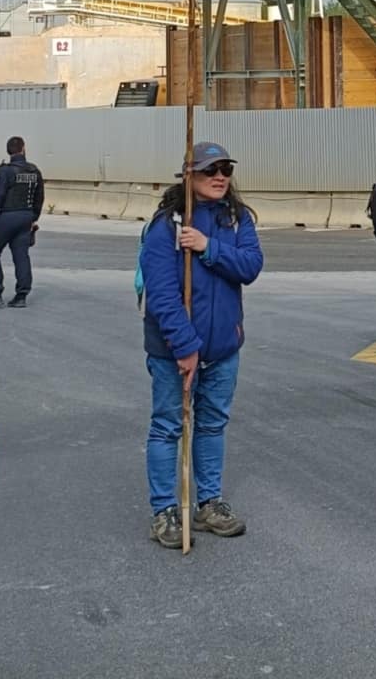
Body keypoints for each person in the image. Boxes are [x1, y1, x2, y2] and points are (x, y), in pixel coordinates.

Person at [139, 141, 264, 549]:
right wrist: (185, 347)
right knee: (168, 427)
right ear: (188, 175)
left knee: (211, 425)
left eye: (226, 169)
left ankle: (208, 503)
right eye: (211, 170)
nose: (220, 177)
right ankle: (165, 511)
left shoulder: (236, 219)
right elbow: (161, 295)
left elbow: (251, 266)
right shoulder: (166, 226)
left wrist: (208, 248)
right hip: (174, 350)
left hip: (224, 347)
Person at [0, 136, 44, 310]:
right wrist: (33, 218)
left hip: (6, 217)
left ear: (9, 151)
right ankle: (21, 296)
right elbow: (39, 198)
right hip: (26, 217)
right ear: (23, 149)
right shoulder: (34, 171)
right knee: (21, 255)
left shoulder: (5, 171)